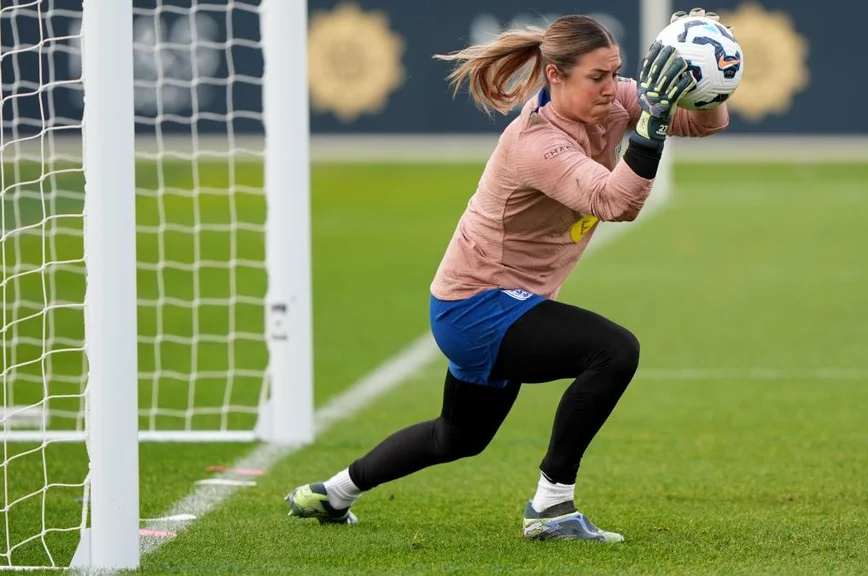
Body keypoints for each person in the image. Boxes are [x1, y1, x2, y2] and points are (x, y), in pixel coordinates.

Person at [285, 8, 730, 542]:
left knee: (456, 438)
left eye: (616, 73)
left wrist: (704, 77)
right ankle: (551, 508)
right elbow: (615, 203)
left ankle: (331, 493)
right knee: (614, 351)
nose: (614, 89)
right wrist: (652, 126)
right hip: (476, 306)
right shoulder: (535, 143)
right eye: (598, 77)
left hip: (501, 304)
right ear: (554, 76)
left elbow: (706, 124)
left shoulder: (614, 99)